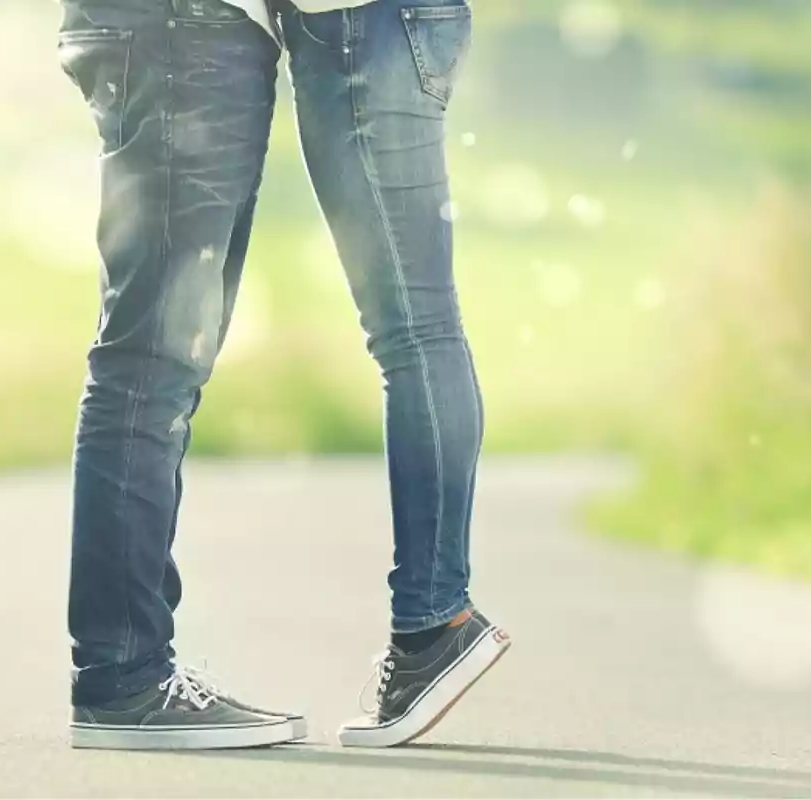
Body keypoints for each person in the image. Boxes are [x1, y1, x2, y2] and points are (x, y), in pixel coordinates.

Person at [59, 0, 510, 751]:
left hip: (205, 26)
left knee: (152, 362)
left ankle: (128, 673)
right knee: (151, 362)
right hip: (182, 26)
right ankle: (124, 677)